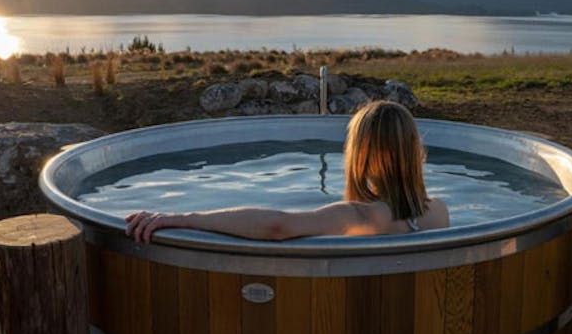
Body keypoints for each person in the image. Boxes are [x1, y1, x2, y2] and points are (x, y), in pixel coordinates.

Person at [125, 100, 450, 243]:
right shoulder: (438, 211)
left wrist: (183, 218)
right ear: (414, 150)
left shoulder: (358, 216)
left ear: (360, 156)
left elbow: (278, 226)